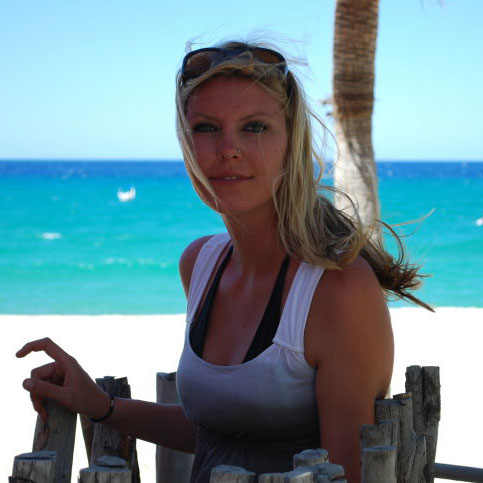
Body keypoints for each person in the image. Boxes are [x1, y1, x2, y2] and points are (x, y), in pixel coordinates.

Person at [17, 41, 431, 482]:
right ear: (186, 143)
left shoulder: (338, 290)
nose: (228, 148)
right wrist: (103, 406)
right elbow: (219, 435)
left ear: (291, 142)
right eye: (206, 128)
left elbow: (347, 472)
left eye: (254, 127)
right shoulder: (200, 262)